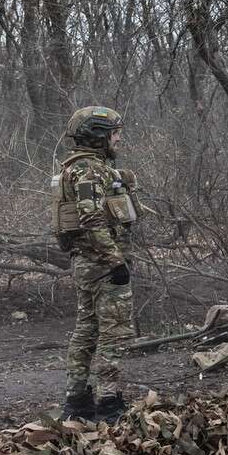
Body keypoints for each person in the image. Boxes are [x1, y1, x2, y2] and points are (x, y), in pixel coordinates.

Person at [51, 106, 140, 423]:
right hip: (101, 264)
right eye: (115, 134)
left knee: (86, 331)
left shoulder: (76, 168)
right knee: (112, 335)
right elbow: (91, 219)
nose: (118, 140)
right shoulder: (90, 170)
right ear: (99, 136)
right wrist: (116, 261)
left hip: (85, 263)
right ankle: (108, 404)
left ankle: (77, 402)